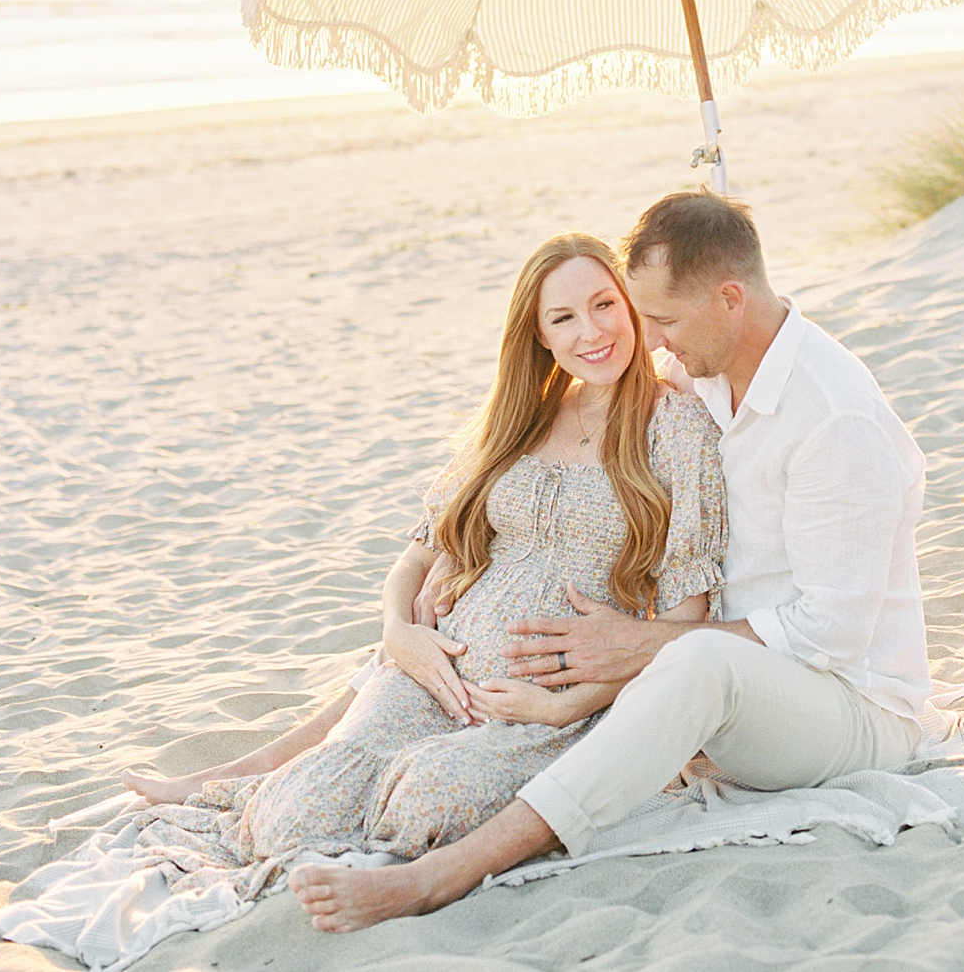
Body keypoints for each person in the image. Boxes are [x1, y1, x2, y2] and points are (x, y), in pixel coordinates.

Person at [0, 232, 725, 964]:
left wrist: (571, 702)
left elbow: (686, 623)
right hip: (433, 666)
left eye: (604, 305)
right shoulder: (522, 417)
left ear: (632, 307)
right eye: (563, 317)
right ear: (537, 334)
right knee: (294, 809)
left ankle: (394, 872)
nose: (591, 331)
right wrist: (397, 634)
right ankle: (255, 795)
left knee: (430, 801)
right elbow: (417, 553)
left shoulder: (674, 427)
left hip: (546, 701)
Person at [287, 189, 930, 933]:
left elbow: (830, 634)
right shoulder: (717, 362)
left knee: (696, 666)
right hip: (739, 688)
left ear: (729, 299)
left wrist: (642, 648)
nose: (650, 341)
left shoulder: (833, 418)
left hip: (852, 702)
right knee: (687, 667)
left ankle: (443, 875)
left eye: (662, 321)